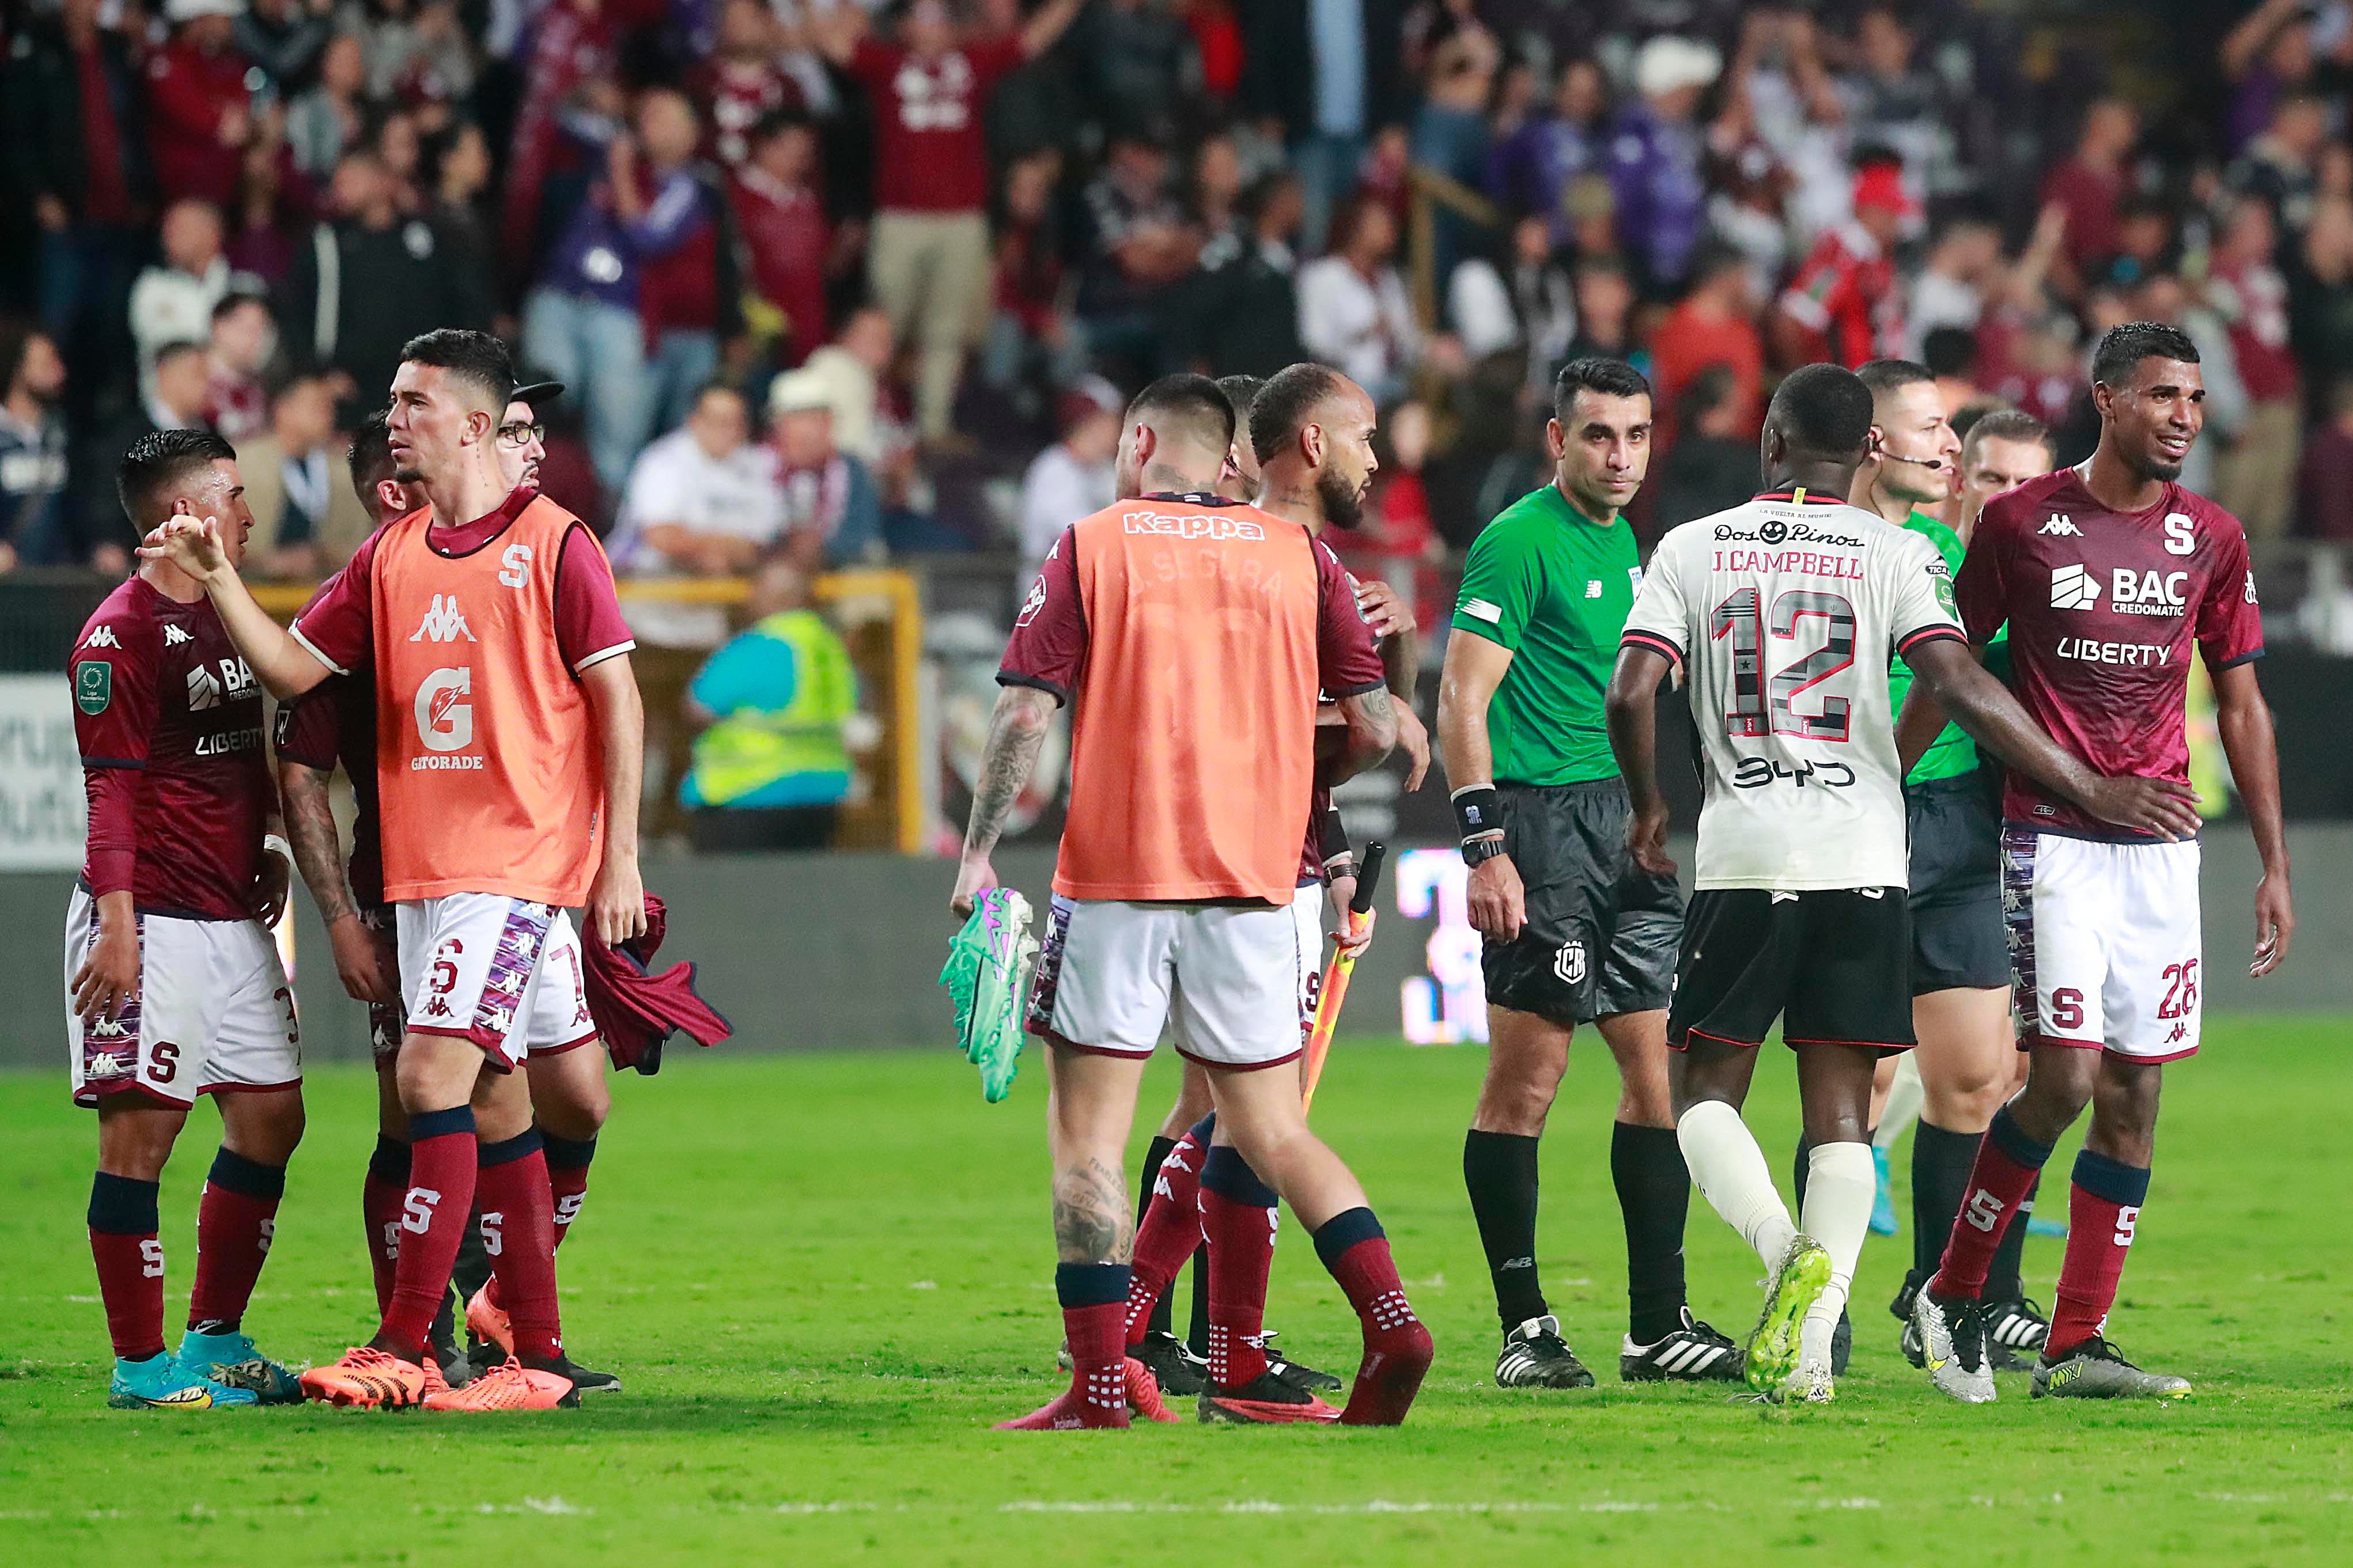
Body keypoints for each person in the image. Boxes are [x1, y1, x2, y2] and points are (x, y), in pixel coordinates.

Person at [1604, 363, 2200, 1404]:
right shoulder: (1892, 553)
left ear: (1769, 444)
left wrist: (1649, 808)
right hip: (1865, 859)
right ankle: (1808, 1345)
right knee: (1841, 1110)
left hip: (1745, 853)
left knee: (1699, 1090)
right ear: (1866, 451)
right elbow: (1957, 680)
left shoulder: (1689, 547)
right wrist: (2089, 787)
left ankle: (1783, 1250)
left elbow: (1631, 687)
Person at [142, 329, 644, 1413]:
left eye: (412, 398)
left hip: (512, 867)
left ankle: (403, 1340)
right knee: (500, 1099)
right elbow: (289, 670)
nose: (395, 412)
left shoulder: (558, 543)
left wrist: (622, 856)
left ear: (470, 423)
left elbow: (618, 697)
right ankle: (536, 1358)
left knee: (428, 1085)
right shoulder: (390, 553)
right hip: (422, 874)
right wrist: (223, 575)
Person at [951, 373, 1433, 1429]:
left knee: (1086, 1141)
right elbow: (1373, 725)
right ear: (1227, 456)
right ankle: (1392, 1321)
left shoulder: (1091, 543)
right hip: (1256, 883)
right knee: (1271, 1127)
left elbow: (1026, 713)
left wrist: (979, 852)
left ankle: (1093, 1389)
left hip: (1118, 879)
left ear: (1135, 443)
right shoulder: (1300, 557)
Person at [1902, 322, 2291, 1403]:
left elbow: (2244, 702)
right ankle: (1953, 1289)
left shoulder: (2210, 536)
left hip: (2160, 849)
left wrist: (2270, 859)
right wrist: (1883, 786)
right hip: (2051, 837)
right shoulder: (2019, 523)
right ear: (2107, 397)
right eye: (2162, 394)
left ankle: (2075, 1344)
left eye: (2195, 399)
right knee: (2063, 1076)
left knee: (2132, 1097)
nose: (2183, 416)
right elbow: (1949, 670)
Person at [1116, 363, 1427, 1420]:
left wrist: (1334, 852)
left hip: (1238, 861)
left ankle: (1169, 1338)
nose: (1375, 460)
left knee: (1223, 1108)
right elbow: (1321, 735)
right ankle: (1181, 1339)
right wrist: (1384, 703)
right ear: (1305, 447)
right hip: (1248, 873)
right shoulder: (1283, 561)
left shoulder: (1261, 557)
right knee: (1250, 1112)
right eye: (1364, 438)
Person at [1436, 357, 1735, 1389]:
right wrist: (1484, 846)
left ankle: (1655, 1325)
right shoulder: (1516, 542)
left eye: (1637, 436)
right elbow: (1460, 703)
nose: (1619, 455)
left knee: (1659, 1071)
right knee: (1529, 1081)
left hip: (1625, 829)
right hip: (1538, 825)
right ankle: (1523, 1325)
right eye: (1599, 435)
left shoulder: (1637, 551)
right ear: (1555, 440)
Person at [67, 427, 305, 1411]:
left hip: (229, 908)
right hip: (151, 916)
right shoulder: (117, 633)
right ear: (188, 512)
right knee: (141, 1140)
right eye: (236, 496)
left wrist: (270, 848)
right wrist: (116, 923)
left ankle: (215, 1340)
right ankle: (139, 1366)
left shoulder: (223, 611)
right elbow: (109, 792)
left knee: (271, 1117)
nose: (251, 515)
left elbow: (238, 751)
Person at [1850, 368, 2061, 1374]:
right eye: (1941, 438)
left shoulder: (1950, 558)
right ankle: (1820, 1299)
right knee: (1850, 1078)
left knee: (1983, 1074)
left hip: (1961, 828)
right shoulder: (1806, 544)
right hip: (1850, 820)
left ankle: (1948, 1293)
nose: (1952, 459)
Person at [815, 0, 1088, 440]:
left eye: (943, 16)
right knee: (884, 324)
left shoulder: (972, 63)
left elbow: (1031, 39)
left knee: (947, 332)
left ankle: (932, 429)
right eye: (926, 16)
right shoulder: (885, 63)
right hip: (899, 219)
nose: (936, 25)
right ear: (904, 26)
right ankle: (862, 422)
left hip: (963, 220)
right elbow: (831, 44)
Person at [680, 559, 860, 851]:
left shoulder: (760, 645)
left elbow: (699, 706)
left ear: (776, 597)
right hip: (824, 793)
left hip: (747, 793)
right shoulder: (831, 648)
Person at [608, 383, 788, 650]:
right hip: (645, 619)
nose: (727, 431)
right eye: (717, 421)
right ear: (695, 421)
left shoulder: (756, 465)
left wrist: (707, 547)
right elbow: (662, 537)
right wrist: (713, 550)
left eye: (734, 422)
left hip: (714, 625)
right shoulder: (664, 461)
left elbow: (761, 544)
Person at [0, 328, 71, 569]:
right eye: (46, 364)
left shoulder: (65, 436)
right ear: (19, 369)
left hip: (59, 576)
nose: (60, 373)